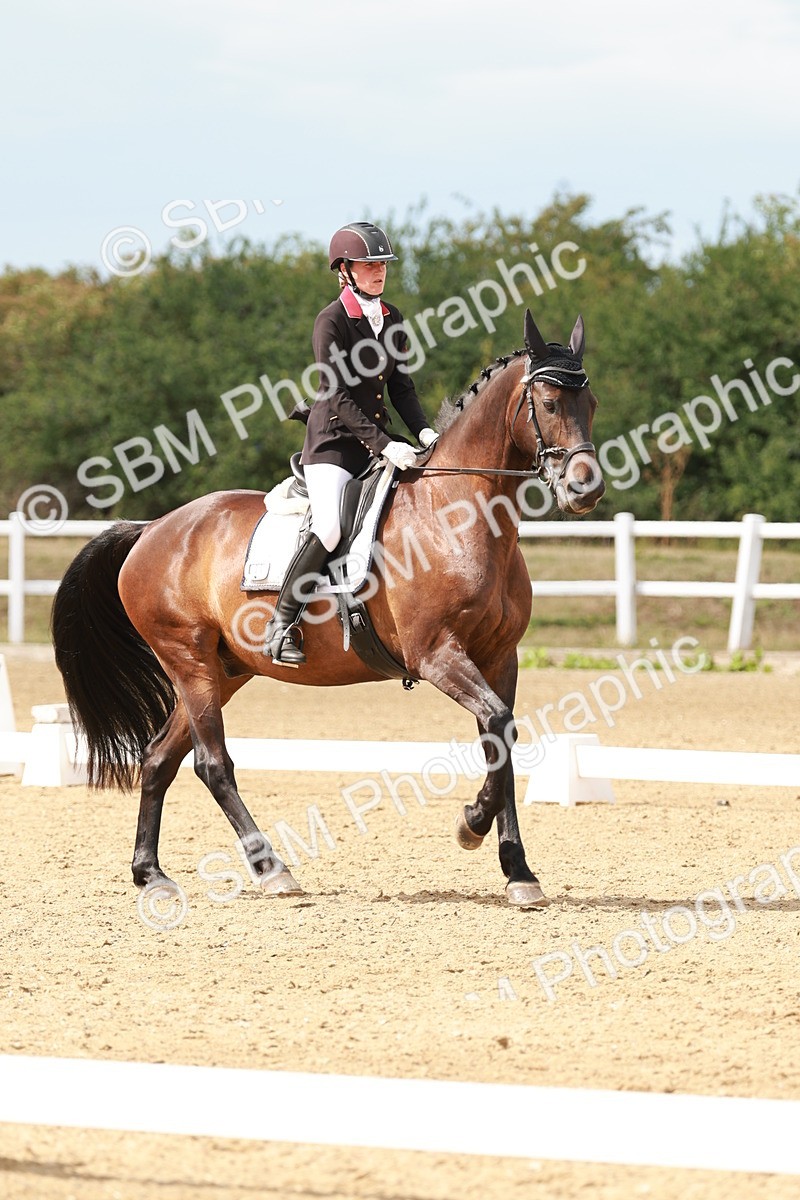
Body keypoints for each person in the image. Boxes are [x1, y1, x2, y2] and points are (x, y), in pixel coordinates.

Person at [264, 221, 439, 666]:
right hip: (333, 445)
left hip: (379, 443)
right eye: (368, 264)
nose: (378, 271)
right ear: (345, 270)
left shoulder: (392, 317)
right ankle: (280, 623)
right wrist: (383, 443)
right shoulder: (332, 321)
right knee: (330, 527)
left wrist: (423, 432)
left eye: (382, 264)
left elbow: (401, 387)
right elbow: (335, 396)